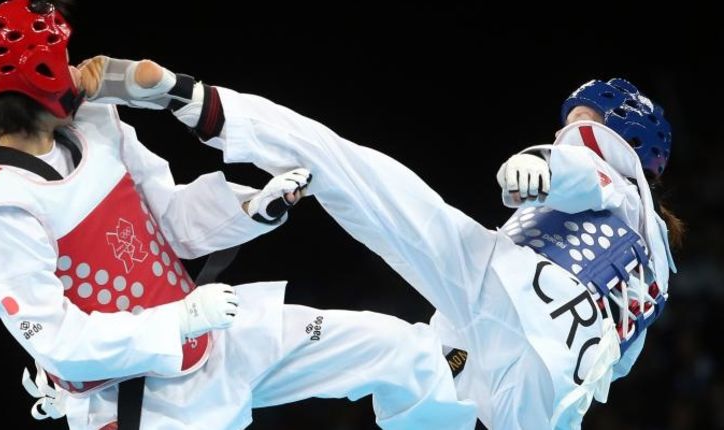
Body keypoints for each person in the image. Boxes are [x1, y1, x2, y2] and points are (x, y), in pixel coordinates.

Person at [0, 1, 478, 429]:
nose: (78, 67)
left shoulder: (97, 127)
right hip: (142, 401)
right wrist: (181, 319)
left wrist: (251, 208)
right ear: (39, 73)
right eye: (64, 56)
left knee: (400, 351)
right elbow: (58, 344)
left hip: (217, 336)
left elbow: (171, 219)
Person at [84, 54, 682, 428]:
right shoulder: (658, 267)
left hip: (513, 292)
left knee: (356, 175)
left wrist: (545, 166)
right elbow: (616, 369)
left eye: (581, 121)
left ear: (628, 137)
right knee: (402, 365)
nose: (564, 129)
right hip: (543, 388)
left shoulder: (617, 180)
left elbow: (582, 173)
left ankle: (202, 102)